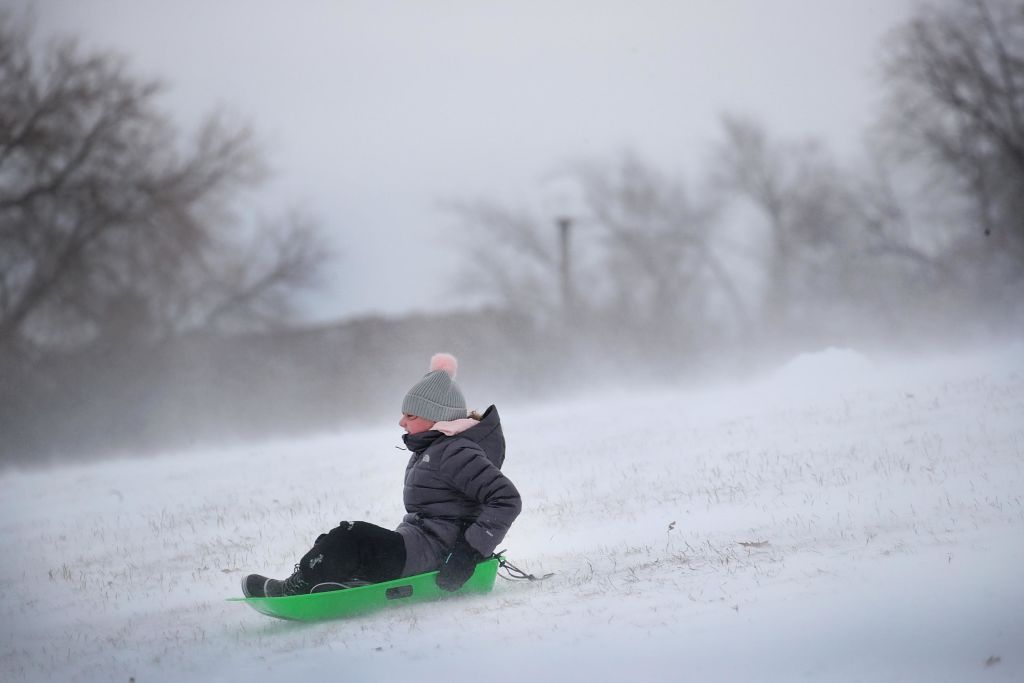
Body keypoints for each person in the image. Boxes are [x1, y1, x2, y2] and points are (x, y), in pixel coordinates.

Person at [241, 352, 522, 597]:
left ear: (436, 417)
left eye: (410, 415)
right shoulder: (437, 447)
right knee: (336, 539)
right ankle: (334, 580)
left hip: (438, 553)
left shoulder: (455, 452)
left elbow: (506, 499)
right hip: (419, 544)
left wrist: (467, 553)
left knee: (352, 536)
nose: (401, 421)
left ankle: (296, 588)